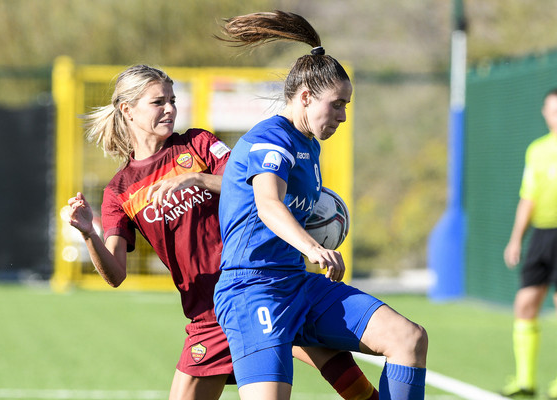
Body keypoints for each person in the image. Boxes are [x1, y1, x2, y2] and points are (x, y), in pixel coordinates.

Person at [66, 64, 380, 400]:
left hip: (259, 290)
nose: (171, 109)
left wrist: (197, 178)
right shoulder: (120, 190)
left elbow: (254, 189)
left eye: (173, 100)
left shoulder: (198, 144)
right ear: (127, 110)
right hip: (208, 316)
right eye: (159, 102)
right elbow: (115, 275)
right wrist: (89, 234)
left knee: (349, 380)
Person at [214, 11, 428, 400]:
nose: (344, 116)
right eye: (337, 105)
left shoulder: (308, 144)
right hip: (253, 289)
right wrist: (314, 247)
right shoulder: (271, 140)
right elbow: (266, 203)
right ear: (307, 97)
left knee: (408, 339)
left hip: (299, 285)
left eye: (347, 106)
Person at [502, 88, 557, 399]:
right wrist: (515, 240)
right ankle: (526, 381)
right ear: (544, 113)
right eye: (552, 109)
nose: (556, 115)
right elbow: (528, 198)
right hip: (541, 236)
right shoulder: (537, 150)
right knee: (525, 304)